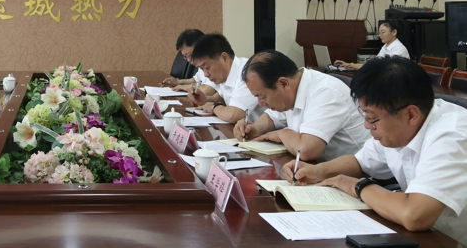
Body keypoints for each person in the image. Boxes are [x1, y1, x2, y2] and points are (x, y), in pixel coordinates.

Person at [283, 57, 467, 241]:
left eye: (371, 119)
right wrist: (316, 171)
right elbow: (360, 162)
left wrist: (357, 186)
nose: (366, 126)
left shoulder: (452, 136)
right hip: (428, 235)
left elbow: (414, 215)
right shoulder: (398, 127)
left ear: (411, 114)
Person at [234, 50, 369, 161]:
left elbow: (306, 151)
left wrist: (282, 134)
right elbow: (272, 117)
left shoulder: (326, 92)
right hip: (321, 168)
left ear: (283, 83)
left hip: (358, 176)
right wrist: (254, 128)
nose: (261, 103)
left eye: (262, 96)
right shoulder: (292, 88)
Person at [185, 33, 265, 123]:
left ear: (224, 58)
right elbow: (223, 97)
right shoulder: (226, 73)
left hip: (262, 130)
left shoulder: (248, 73)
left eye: (207, 67)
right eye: (202, 69)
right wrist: (205, 99)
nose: (205, 75)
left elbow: (233, 115)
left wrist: (214, 107)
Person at [335, 20, 409, 70]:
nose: (380, 35)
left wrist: (352, 65)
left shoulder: (399, 49)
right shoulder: (385, 46)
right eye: (379, 33)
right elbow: (373, 65)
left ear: (394, 32)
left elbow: (383, 69)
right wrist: (349, 65)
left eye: (383, 32)